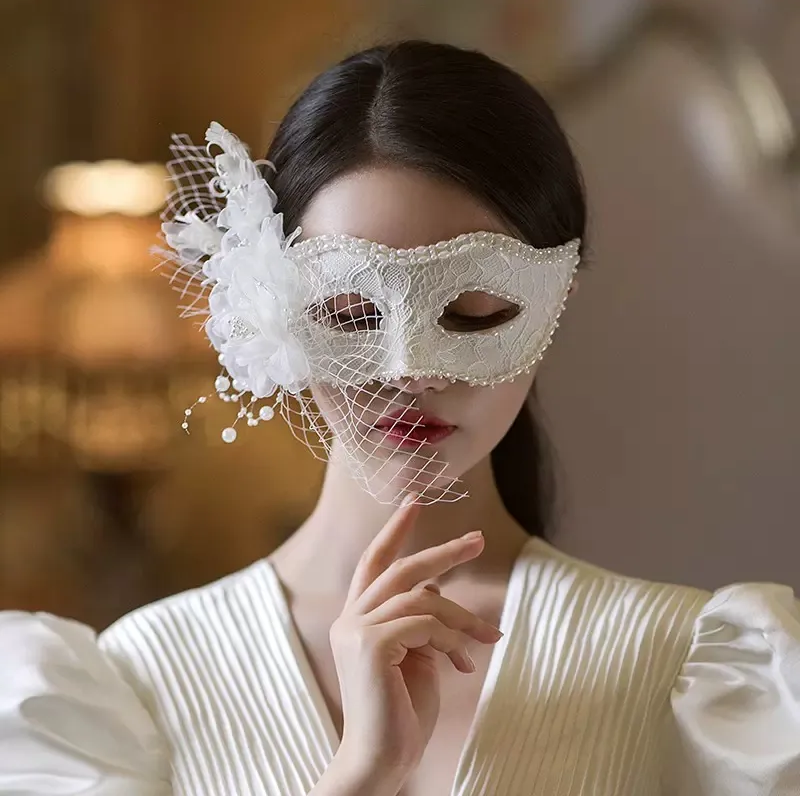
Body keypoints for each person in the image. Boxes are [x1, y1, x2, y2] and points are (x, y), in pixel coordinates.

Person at [1, 40, 798, 796]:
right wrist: (361, 774)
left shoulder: (697, 675)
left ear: (552, 308)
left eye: (478, 313)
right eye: (351, 313)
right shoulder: (135, 682)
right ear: (271, 301)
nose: (409, 369)